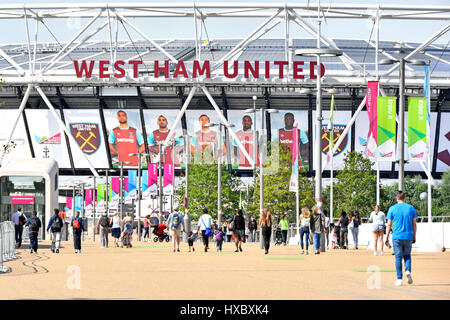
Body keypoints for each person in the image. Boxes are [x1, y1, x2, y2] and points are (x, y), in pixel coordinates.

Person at [385, 191, 418, 286]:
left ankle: (399, 279)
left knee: (398, 257)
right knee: (407, 255)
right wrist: (414, 236)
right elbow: (414, 224)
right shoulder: (411, 208)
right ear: (405, 198)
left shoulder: (392, 208)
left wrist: (386, 237)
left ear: (396, 198)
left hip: (397, 236)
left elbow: (389, 224)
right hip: (408, 235)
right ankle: (407, 270)